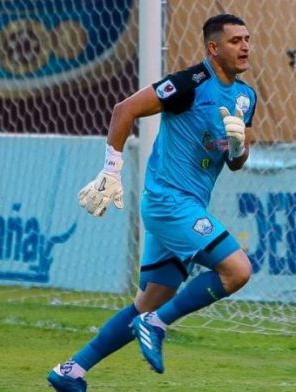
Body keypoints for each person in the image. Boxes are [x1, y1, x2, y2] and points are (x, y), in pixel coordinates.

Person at [47, 13, 256, 391]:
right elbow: (123, 109)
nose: (244, 47)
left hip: (188, 205)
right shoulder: (190, 84)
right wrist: (111, 170)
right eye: (234, 41)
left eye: (246, 39)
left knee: (147, 302)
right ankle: (157, 325)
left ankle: (71, 371)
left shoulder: (245, 96)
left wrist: (240, 146)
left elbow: (236, 163)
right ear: (213, 48)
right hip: (169, 203)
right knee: (237, 271)